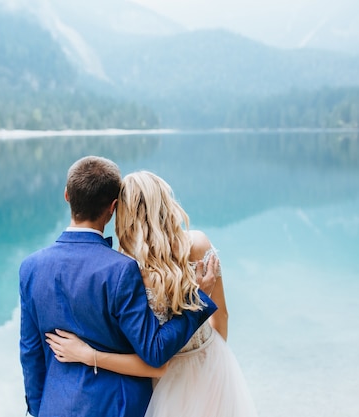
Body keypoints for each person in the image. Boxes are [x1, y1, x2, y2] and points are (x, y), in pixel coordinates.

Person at [46, 170, 257, 417]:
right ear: (166, 203)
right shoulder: (199, 244)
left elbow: (149, 358)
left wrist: (88, 355)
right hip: (211, 363)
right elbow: (222, 317)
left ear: (122, 212)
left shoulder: (125, 268)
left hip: (162, 384)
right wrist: (215, 364)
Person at [19, 157, 219, 417]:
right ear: (113, 208)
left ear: (67, 195)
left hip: (55, 406)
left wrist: (39, 408)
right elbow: (154, 351)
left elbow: (30, 353)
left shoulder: (30, 267)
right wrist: (199, 300)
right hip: (118, 407)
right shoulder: (121, 269)